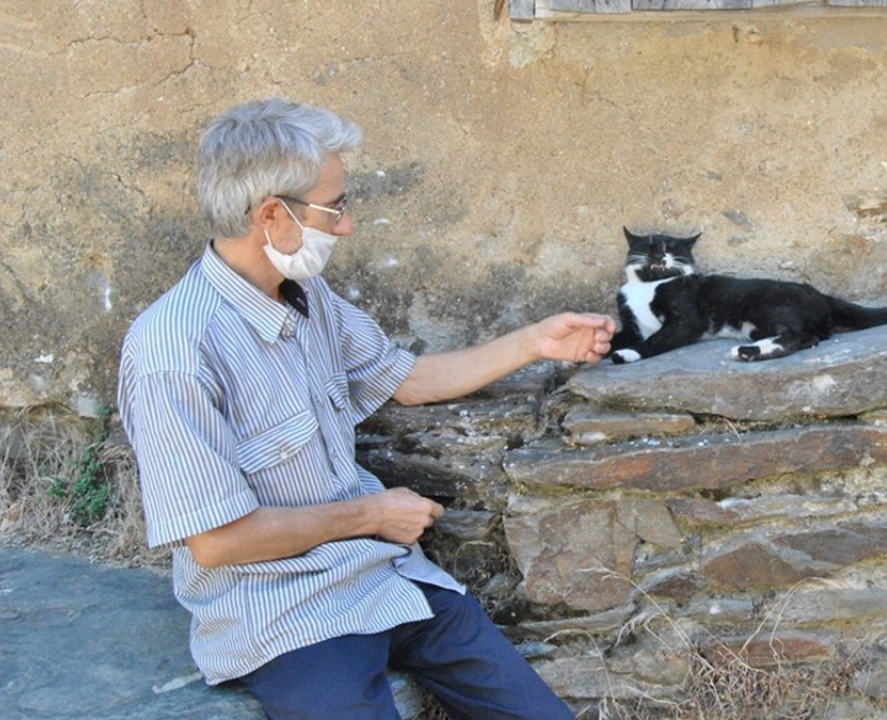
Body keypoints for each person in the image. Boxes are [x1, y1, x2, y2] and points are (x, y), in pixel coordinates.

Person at [117, 97, 614, 720]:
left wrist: (534, 342)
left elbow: (406, 379)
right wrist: (373, 512)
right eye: (335, 208)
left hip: (384, 578)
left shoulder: (308, 297)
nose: (347, 226)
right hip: (283, 613)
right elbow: (217, 543)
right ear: (270, 215)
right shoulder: (173, 351)